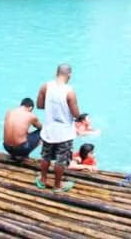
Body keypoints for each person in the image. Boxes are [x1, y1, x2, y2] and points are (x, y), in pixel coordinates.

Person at [36, 64, 81, 192]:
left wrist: (52, 107)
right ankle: (57, 185)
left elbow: (39, 105)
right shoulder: (69, 91)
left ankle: (43, 180)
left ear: (56, 73)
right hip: (64, 133)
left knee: (45, 156)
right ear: (69, 75)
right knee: (61, 160)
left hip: (49, 131)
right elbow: (76, 114)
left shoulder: (45, 86)